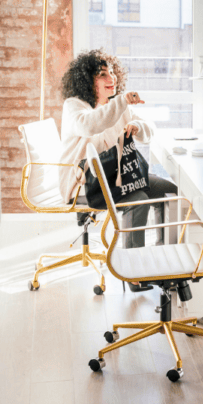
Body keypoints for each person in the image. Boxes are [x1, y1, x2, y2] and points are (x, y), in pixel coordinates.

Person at [58, 49, 177, 255]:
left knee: (169, 191)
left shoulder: (116, 106)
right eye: (102, 74)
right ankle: (133, 270)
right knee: (138, 200)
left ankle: (162, 253)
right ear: (87, 80)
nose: (111, 77)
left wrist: (138, 127)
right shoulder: (74, 106)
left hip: (117, 177)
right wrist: (122, 102)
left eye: (112, 72)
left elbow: (150, 128)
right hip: (85, 183)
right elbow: (89, 125)